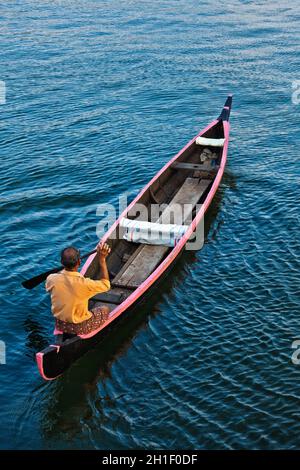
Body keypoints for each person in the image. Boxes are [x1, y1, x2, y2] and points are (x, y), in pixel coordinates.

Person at [46, 242, 111, 336]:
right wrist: (102, 259)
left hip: (60, 324)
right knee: (105, 309)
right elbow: (106, 285)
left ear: (61, 262)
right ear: (79, 262)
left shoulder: (51, 279)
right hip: (79, 327)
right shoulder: (85, 284)